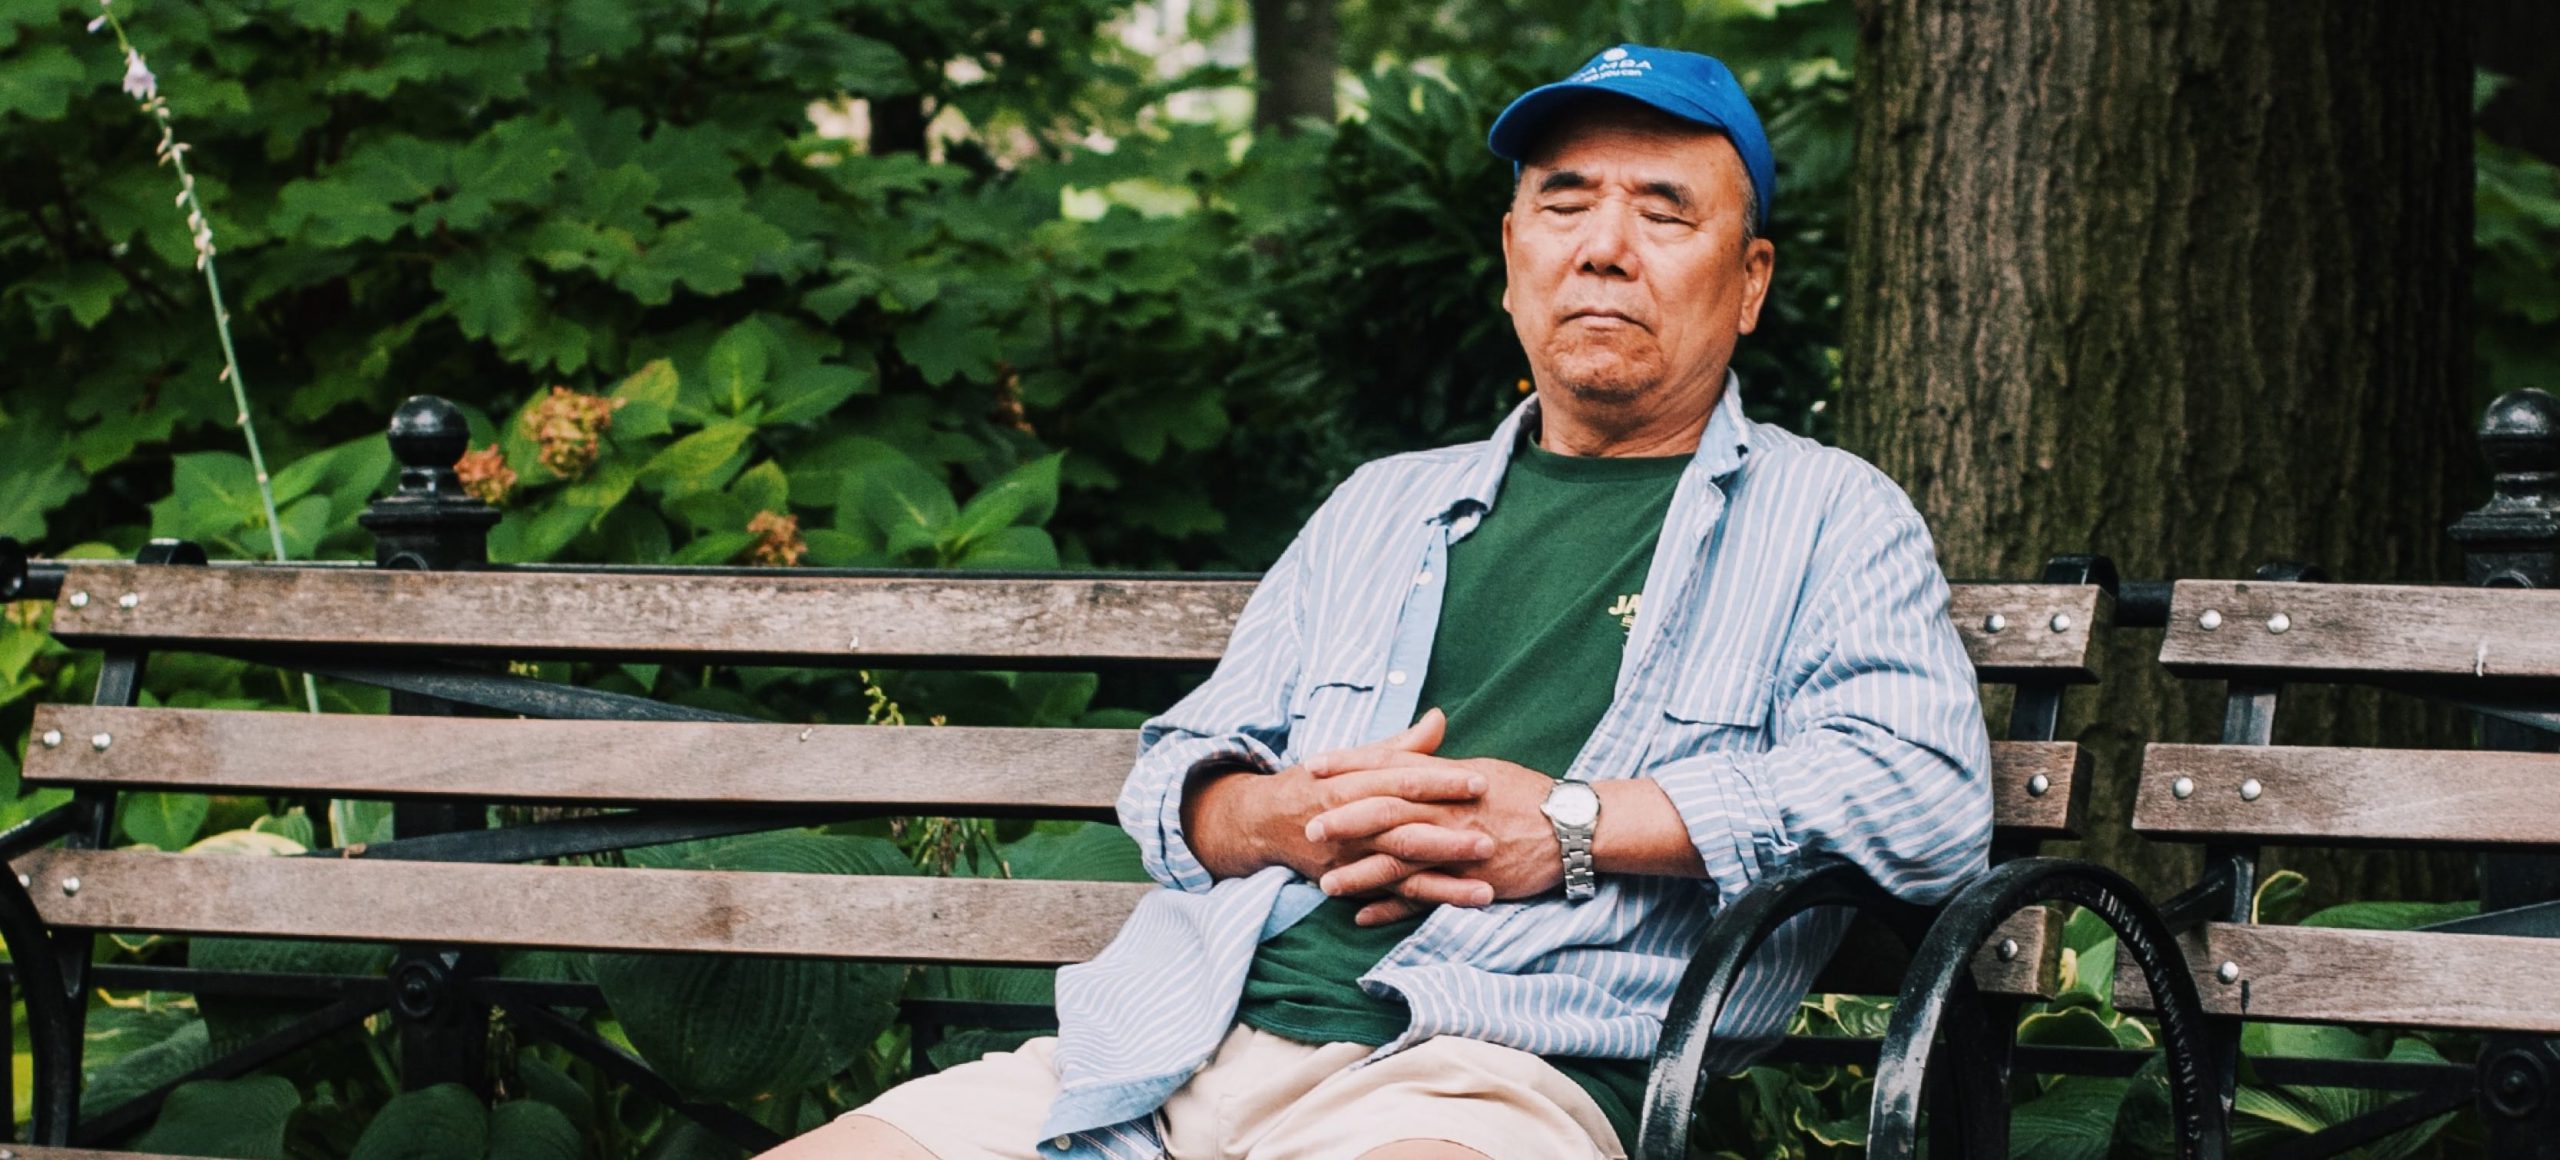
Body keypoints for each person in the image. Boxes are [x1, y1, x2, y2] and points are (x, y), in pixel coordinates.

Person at [767, 43, 1990, 1160]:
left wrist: (1571, 821)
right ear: (1514, 253)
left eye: (1664, 211)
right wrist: (1273, 815)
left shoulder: (1831, 514)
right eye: (1564, 202)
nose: (1604, 246)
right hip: (1159, 1052)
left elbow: (1925, 797)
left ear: (1750, 280)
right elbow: (1175, 774)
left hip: (1481, 1074)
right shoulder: (1378, 506)